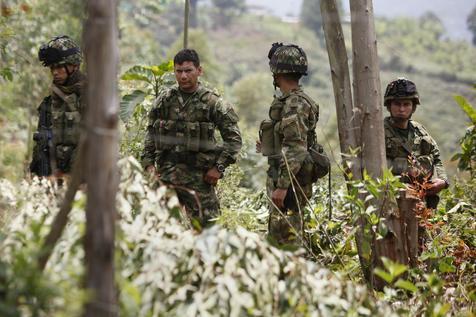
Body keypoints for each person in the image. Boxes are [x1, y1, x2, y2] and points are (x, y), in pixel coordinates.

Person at [141, 48, 242, 228]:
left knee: (209, 232)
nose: (183, 76)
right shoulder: (164, 100)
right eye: (179, 71)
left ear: (199, 71)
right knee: (160, 231)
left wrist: (218, 168)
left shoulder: (213, 103)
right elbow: (151, 133)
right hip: (166, 178)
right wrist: (149, 165)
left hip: (199, 180)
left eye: (188, 71)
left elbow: (234, 140)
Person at [258, 43, 322, 247]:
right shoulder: (291, 101)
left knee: (287, 238)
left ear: (276, 74)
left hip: (290, 182)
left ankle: (289, 277)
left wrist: (282, 187)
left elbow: (295, 147)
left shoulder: (295, 104)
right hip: (286, 175)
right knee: (282, 234)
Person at [383, 77, 449, 209]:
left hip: (422, 203)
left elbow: (436, 157)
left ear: (413, 107)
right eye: (397, 104)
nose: (401, 109)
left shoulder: (420, 131)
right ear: (389, 106)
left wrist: (443, 180)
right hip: (391, 204)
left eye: (406, 104)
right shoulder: (378, 132)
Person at [30, 35, 86, 180]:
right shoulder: (48, 103)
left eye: (60, 66)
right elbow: (40, 148)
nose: (55, 72)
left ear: (74, 65)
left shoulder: (91, 97)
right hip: (54, 179)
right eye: (52, 67)